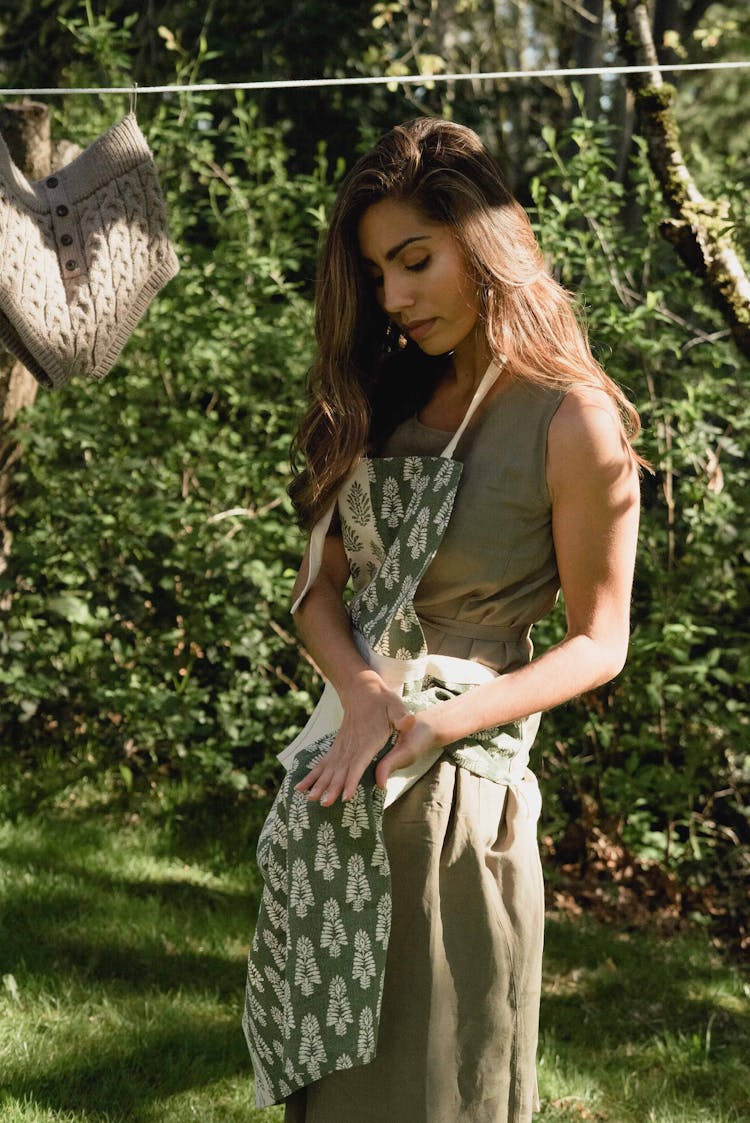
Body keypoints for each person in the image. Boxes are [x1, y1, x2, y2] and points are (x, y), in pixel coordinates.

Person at [242, 116, 641, 1123]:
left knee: (436, 1087)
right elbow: (316, 592)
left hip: (457, 803)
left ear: (487, 240)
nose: (395, 297)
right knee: (331, 1092)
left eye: (415, 260)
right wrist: (368, 698)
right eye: (378, 273)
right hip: (341, 781)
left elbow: (601, 639)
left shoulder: (569, 417)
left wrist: (432, 721)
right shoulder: (385, 400)